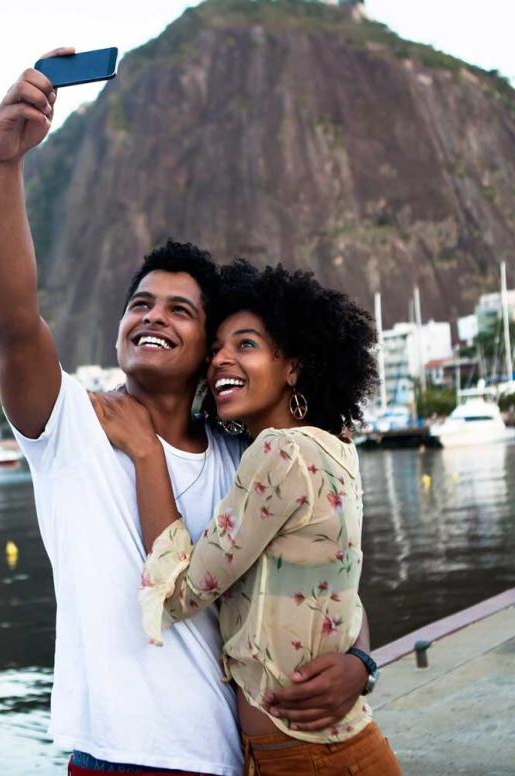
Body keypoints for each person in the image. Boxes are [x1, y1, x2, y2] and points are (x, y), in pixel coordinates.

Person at [0, 54, 371, 775]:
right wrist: (2, 166)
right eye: (140, 303)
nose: (153, 317)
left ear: (210, 349)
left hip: (240, 757)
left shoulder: (246, 453)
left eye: (181, 310)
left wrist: (359, 660)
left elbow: (323, 571)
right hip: (118, 759)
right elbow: (13, 320)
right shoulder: (69, 423)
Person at [90, 262, 402, 774]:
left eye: (247, 345)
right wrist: (361, 662)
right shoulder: (335, 449)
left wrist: (146, 452)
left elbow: (178, 594)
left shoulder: (277, 454)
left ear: (294, 366)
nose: (220, 361)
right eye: (215, 349)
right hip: (315, 749)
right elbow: (335, 592)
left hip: (309, 758)